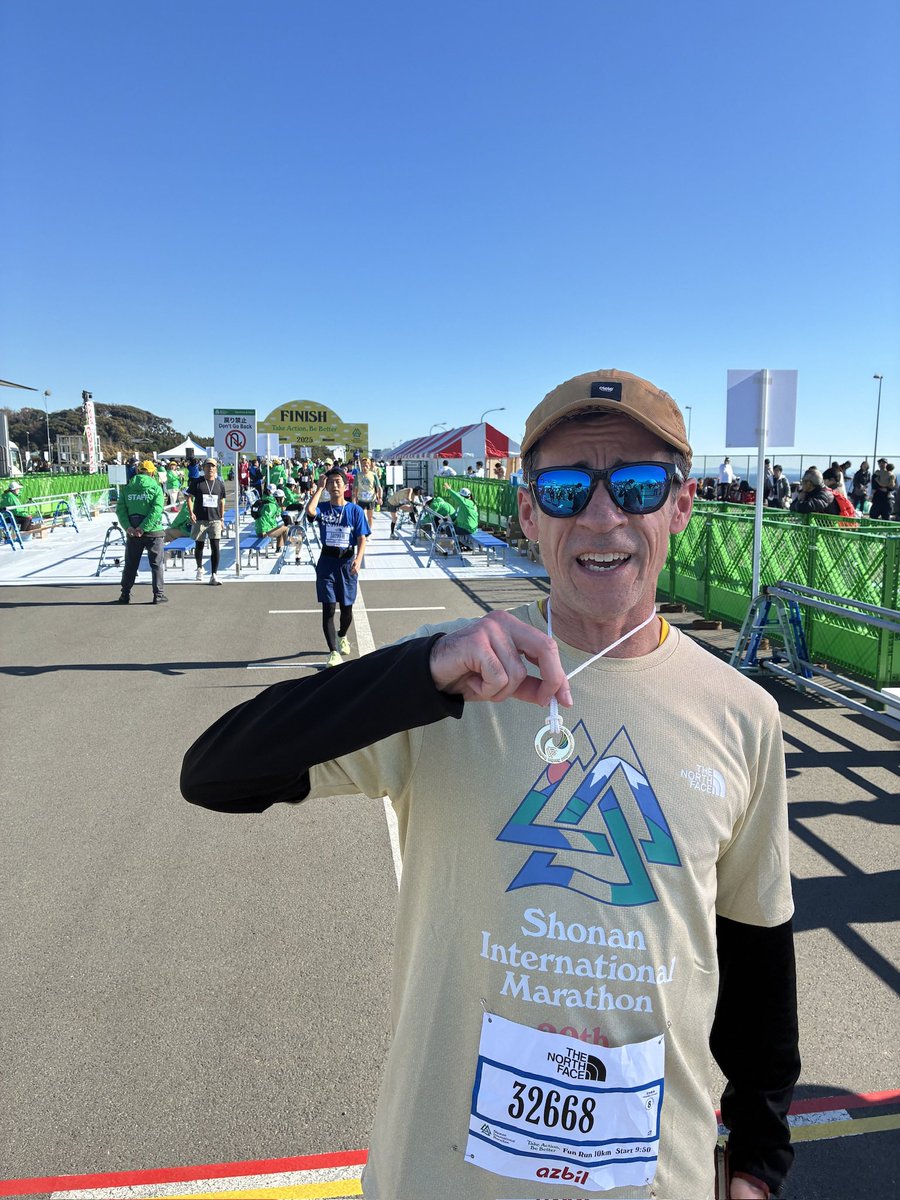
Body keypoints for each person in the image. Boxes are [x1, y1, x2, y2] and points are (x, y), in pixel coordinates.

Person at [182, 368, 799, 1200]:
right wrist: (421, 670)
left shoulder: (743, 716)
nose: (603, 515)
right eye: (567, 488)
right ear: (527, 513)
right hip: (440, 1176)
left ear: (681, 507)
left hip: (653, 1181)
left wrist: (759, 1156)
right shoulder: (453, 676)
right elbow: (217, 771)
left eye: (639, 485)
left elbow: (759, 957)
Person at [306, 468, 369, 667]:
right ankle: (333, 652)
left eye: (338, 482)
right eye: (331, 482)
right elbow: (309, 512)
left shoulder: (355, 510)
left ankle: (342, 635)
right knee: (329, 608)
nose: (334, 486)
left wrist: (358, 560)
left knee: (347, 609)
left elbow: (362, 538)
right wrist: (319, 488)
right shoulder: (323, 508)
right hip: (327, 562)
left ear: (345, 486)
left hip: (347, 563)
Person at [114, 460, 167, 604]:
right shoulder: (156, 488)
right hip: (153, 532)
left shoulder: (127, 488)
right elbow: (156, 510)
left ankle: (125, 594)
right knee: (156, 565)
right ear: (152, 472)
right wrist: (143, 527)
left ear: (138, 471)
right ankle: (158, 595)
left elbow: (120, 510)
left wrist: (128, 527)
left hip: (133, 531)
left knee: (131, 564)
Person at [187, 459, 227, 585]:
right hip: (200, 519)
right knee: (199, 546)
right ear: (203, 468)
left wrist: (222, 518)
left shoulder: (219, 484)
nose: (210, 468)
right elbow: (188, 497)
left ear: (216, 468)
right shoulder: (197, 482)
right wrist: (191, 512)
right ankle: (199, 568)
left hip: (215, 519)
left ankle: (214, 574)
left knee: (216, 547)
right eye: (208, 466)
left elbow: (222, 502)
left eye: (213, 466)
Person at [353, 457, 382, 524]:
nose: (364, 467)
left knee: (370, 517)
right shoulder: (358, 475)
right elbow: (355, 489)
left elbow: (379, 487)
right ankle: (362, 530)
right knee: (360, 517)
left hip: (371, 499)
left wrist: (380, 498)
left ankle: (369, 530)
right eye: (363, 466)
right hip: (361, 499)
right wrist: (354, 500)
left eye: (366, 466)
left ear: (369, 466)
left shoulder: (373, 475)